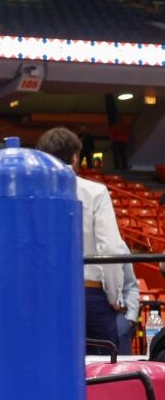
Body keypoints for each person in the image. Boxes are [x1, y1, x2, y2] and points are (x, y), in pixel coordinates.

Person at [37, 126, 127, 353]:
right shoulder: (95, 192)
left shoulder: (32, 194)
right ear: (76, 157)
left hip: (45, 294)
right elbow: (111, 248)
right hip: (89, 294)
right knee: (104, 374)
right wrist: (115, 296)